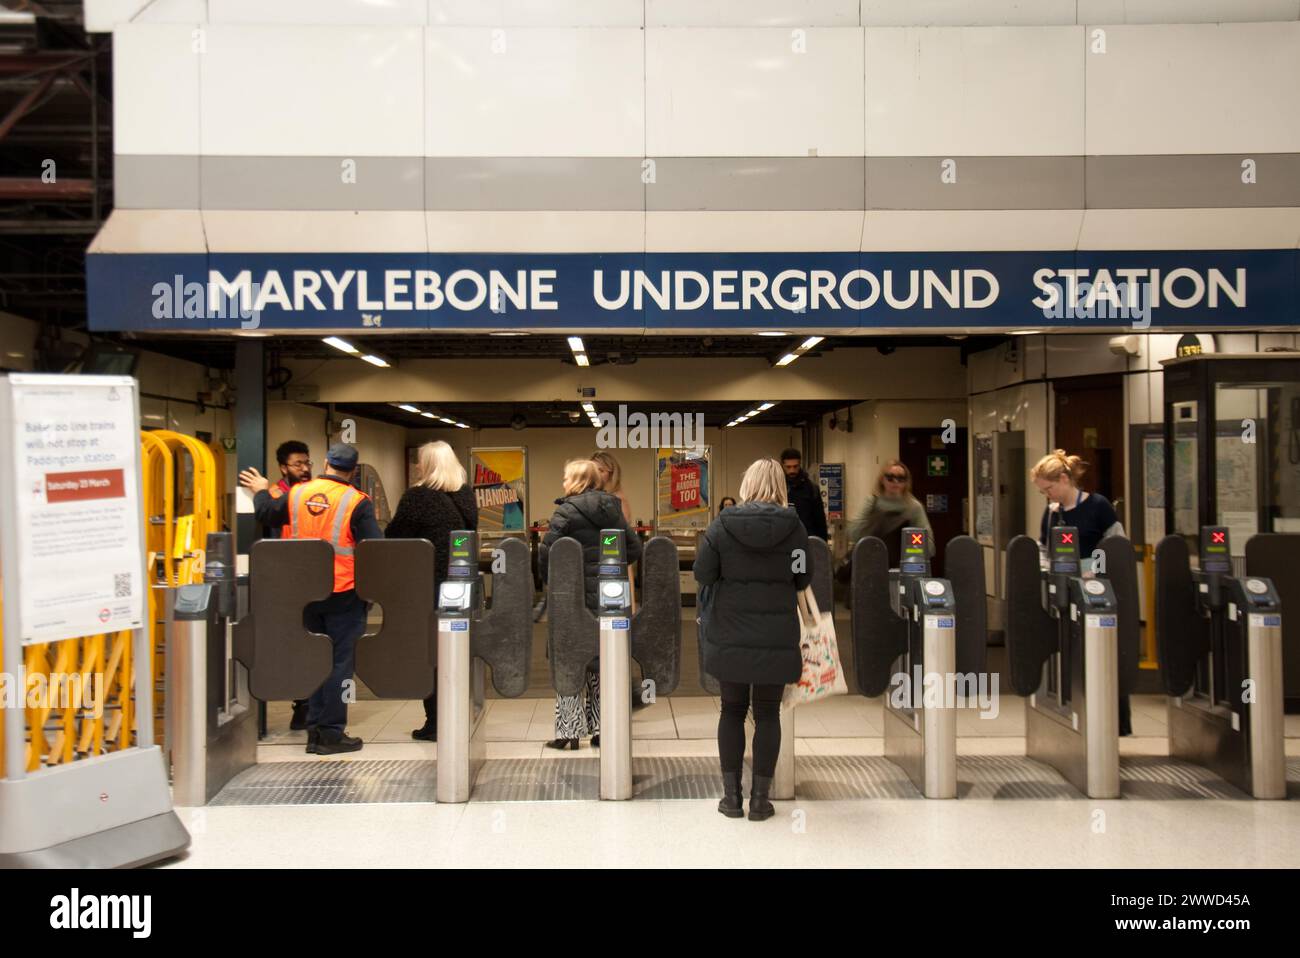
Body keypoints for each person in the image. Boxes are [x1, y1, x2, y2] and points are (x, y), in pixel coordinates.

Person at [240, 442, 382, 755]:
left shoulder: (298, 493)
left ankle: (314, 730)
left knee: (314, 659)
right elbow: (375, 547)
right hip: (343, 592)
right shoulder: (356, 501)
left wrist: (262, 489)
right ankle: (330, 733)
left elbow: (265, 512)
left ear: (326, 464)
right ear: (353, 471)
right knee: (339, 663)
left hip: (303, 592)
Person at [694, 458, 810, 822]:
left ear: (747, 485)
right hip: (776, 634)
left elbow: (703, 572)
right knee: (767, 713)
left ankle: (731, 799)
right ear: (779, 485)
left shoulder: (722, 525)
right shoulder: (794, 528)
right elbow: (802, 577)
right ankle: (760, 800)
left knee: (731, 710)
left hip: (730, 632)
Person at [538, 459, 642, 750]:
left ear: (576, 480)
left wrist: (559, 578)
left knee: (570, 662)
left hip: (571, 600)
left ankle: (569, 733)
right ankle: (601, 729)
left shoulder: (566, 512)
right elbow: (634, 548)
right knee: (602, 662)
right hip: (606, 599)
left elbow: (546, 555)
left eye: (564, 477)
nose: (562, 482)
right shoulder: (613, 510)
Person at [1030, 448, 1131, 735]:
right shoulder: (1051, 514)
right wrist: (1045, 571)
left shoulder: (1098, 506)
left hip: (1096, 592)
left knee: (1103, 656)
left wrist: (1095, 570)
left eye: (1049, 488)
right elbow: (1043, 547)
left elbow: (1117, 545)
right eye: (1043, 491)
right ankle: (1072, 708)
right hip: (1065, 591)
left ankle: (1112, 721)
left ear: (1064, 479)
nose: (1047, 495)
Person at [384, 441, 478, 742]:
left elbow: (395, 536)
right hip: (462, 586)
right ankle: (459, 713)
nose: (416, 466)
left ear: (428, 465)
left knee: (433, 654)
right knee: (458, 650)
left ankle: (436, 720)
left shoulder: (417, 497)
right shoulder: (465, 494)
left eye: (420, 462)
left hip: (429, 587)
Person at [265, 440, 315, 730]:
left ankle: (309, 705)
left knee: (313, 644)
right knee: (295, 646)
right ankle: (302, 705)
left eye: (307, 462)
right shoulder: (275, 496)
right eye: (298, 464)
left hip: (313, 578)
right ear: (283, 467)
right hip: (287, 581)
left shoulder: (312, 493)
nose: (305, 468)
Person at [846, 460, 934, 568]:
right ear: (882, 479)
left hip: (902, 566)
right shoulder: (872, 502)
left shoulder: (913, 507)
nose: (895, 481)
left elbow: (928, 547)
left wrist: (912, 555)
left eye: (901, 478)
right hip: (870, 563)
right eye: (890, 477)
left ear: (906, 482)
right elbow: (853, 533)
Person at [779, 447, 828, 541]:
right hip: (783, 541)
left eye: (795, 466)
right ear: (782, 466)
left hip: (806, 541)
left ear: (800, 464)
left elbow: (820, 522)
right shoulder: (777, 488)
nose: (792, 471)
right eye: (788, 467)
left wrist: (822, 548)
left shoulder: (811, 489)